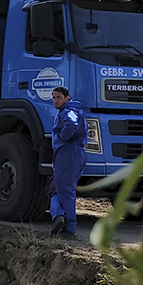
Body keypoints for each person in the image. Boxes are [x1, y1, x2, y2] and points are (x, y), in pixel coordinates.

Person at [50, 86, 87, 237]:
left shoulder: (68, 111)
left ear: (66, 98)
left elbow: (71, 124)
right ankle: (59, 216)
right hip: (70, 153)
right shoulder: (70, 110)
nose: (55, 100)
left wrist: (63, 137)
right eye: (53, 98)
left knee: (64, 190)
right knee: (56, 188)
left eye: (58, 97)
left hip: (68, 152)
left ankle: (68, 227)